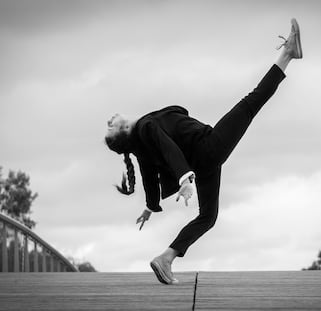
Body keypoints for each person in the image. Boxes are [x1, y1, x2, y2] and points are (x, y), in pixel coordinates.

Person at [105, 18, 303, 285]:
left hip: (205, 162)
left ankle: (166, 257)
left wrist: (150, 207)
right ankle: (288, 53)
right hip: (209, 147)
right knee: (251, 103)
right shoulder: (146, 127)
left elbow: (150, 179)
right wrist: (184, 178)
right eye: (110, 127)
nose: (110, 119)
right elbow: (169, 147)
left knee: (207, 217)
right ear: (123, 130)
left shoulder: (141, 146)